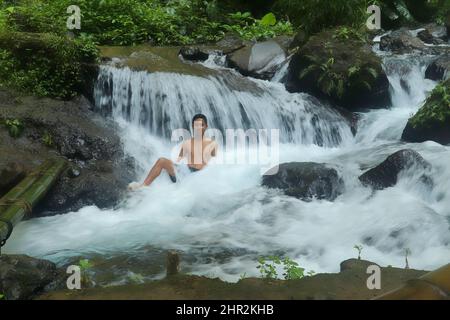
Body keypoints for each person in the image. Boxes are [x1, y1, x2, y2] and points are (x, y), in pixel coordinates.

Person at [128, 114, 217, 190]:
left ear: (206, 126)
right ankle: (143, 186)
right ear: (193, 126)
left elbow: (214, 162)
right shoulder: (186, 143)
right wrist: (174, 167)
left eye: (202, 125)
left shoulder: (212, 144)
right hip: (185, 172)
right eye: (196, 125)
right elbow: (179, 160)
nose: (199, 127)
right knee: (162, 161)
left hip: (199, 175)